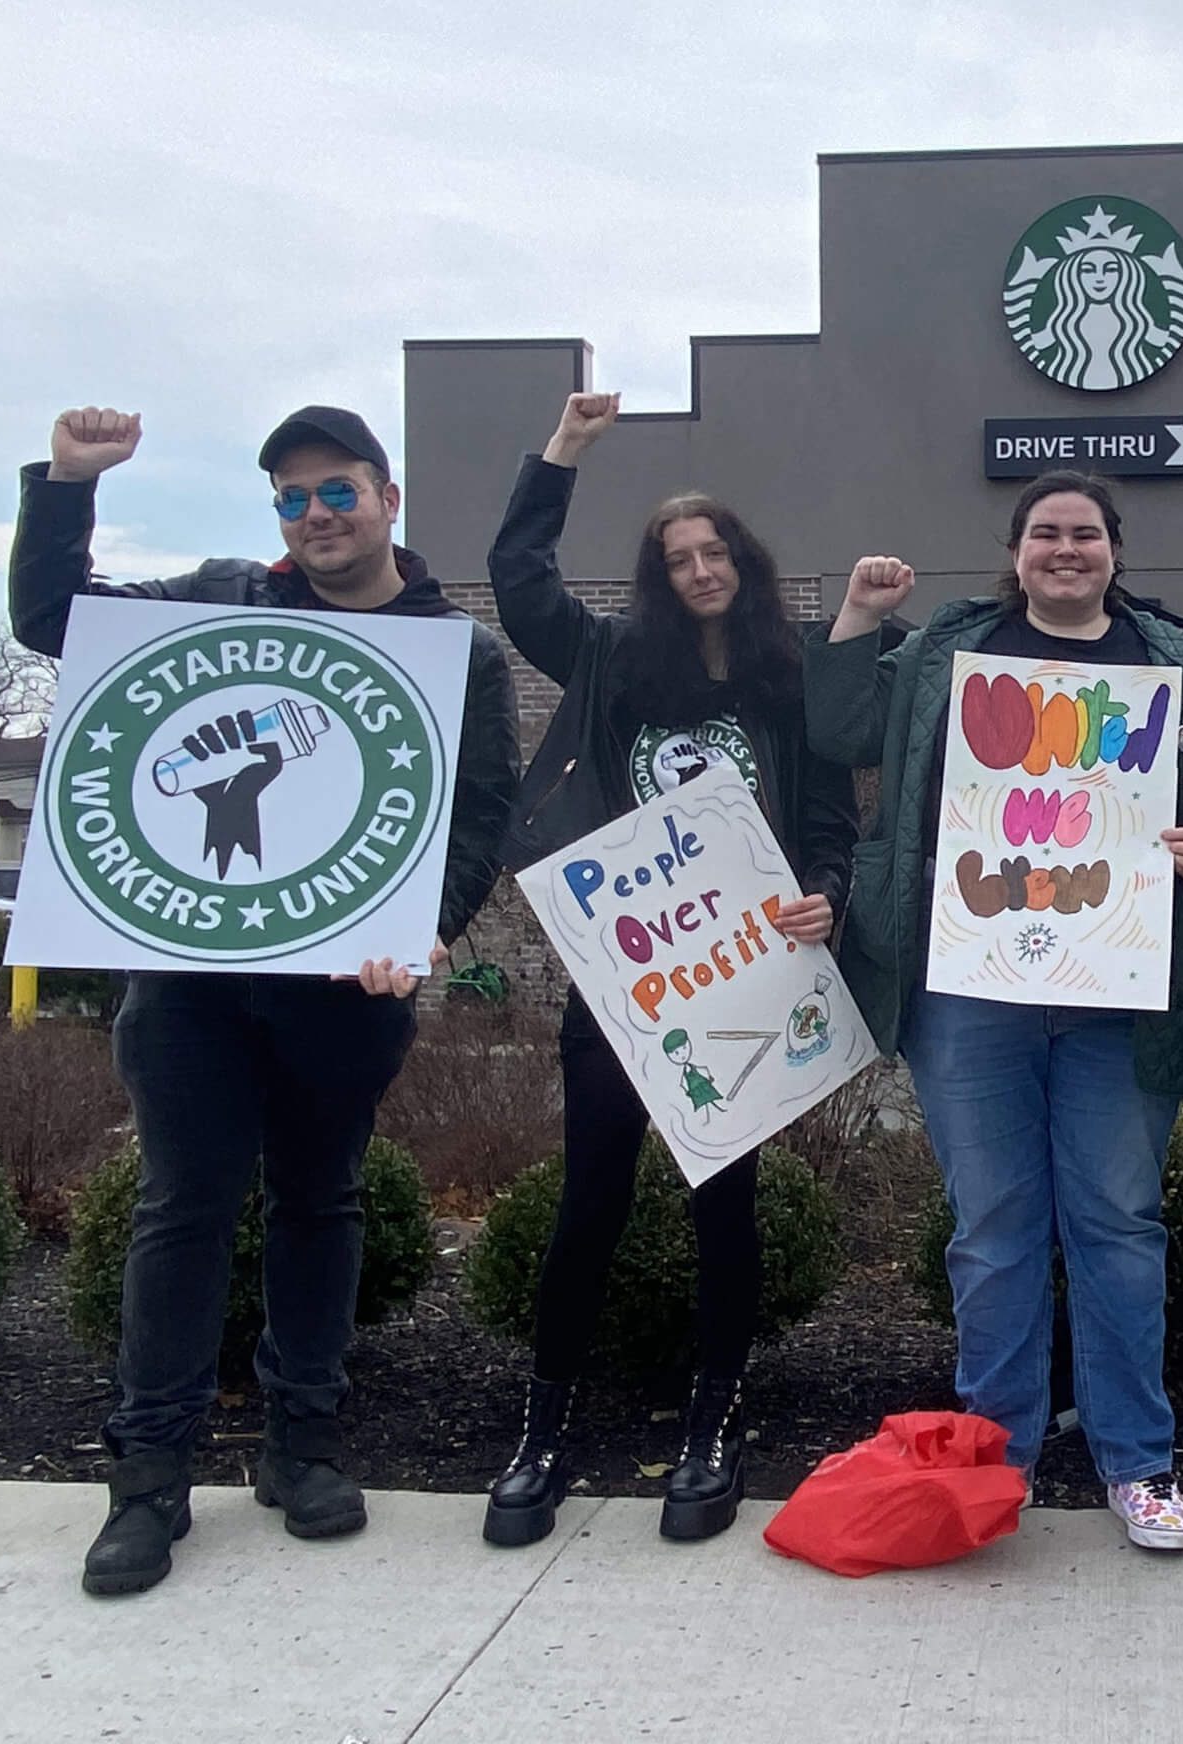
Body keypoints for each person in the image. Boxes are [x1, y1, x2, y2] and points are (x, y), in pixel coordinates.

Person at [11, 404, 519, 1596]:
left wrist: (424, 932)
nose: (316, 516)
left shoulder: (459, 654)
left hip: (345, 990)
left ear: (389, 499)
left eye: (336, 490)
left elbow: (476, 814)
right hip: (191, 981)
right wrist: (69, 486)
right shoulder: (228, 596)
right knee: (181, 1209)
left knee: (319, 1204)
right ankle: (149, 1478)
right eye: (291, 499)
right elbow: (50, 622)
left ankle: (302, 1445)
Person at [805, 470, 1183, 1550]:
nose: (1065, 549)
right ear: (1016, 550)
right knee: (992, 1234)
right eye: (1045, 533)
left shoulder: (1174, 659)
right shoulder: (944, 653)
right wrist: (858, 615)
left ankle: (1138, 1465)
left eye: (1085, 533)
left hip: (1116, 991)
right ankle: (999, 1461)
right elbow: (842, 729)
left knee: (1118, 1229)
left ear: (1115, 552)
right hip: (970, 987)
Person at [479, 390, 855, 1548]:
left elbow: (833, 815)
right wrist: (564, 453)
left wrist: (826, 895)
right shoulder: (605, 660)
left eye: (714, 552)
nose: (699, 570)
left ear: (743, 563)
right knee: (589, 1199)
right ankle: (542, 1431)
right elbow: (516, 577)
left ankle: (713, 1422)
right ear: (656, 575)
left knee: (723, 1203)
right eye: (678, 557)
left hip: (741, 975)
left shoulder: (784, 680)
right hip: (626, 979)